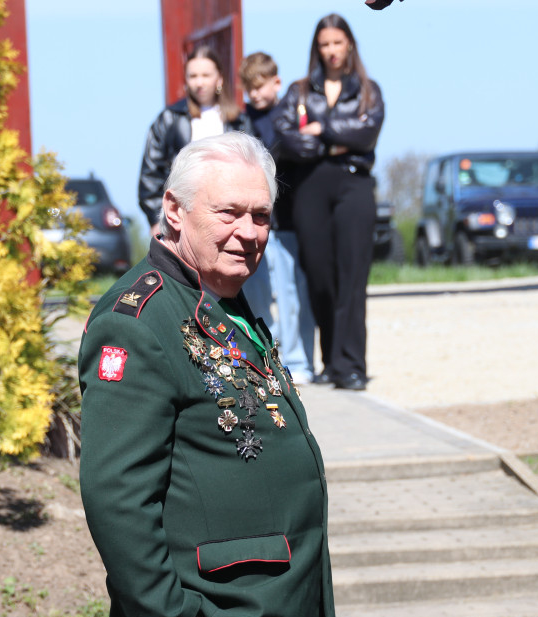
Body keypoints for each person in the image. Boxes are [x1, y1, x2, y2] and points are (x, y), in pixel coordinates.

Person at [79, 132, 338, 617]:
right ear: (174, 210)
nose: (248, 233)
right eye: (229, 213)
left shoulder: (221, 300)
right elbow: (116, 494)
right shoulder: (138, 322)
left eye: (261, 216)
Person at [272, 13, 385, 391]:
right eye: (325, 44)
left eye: (337, 42)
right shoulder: (299, 91)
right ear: (316, 49)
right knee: (319, 276)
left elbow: (367, 133)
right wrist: (334, 140)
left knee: (352, 278)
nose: (332, 51)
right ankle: (331, 358)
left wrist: (322, 130)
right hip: (310, 187)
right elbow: (286, 137)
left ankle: (350, 365)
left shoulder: (369, 90)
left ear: (349, 43)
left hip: (354, 186)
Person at [237, 51, 316, 384]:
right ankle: (264, 358)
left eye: (260, 86)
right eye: (249, 88)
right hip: (254, 220)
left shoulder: (292, 112)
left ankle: (299, 362)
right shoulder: (240, 119)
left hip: (287, 220)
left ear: (276, 82)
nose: (255, 94)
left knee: (291, 294)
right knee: (255, 294)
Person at [138, 45, 246, 237]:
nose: (199, 82)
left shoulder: (239, 121)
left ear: (219, 78)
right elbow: (150, 174)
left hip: (230, 216)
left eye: (206, 75)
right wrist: (157, 219)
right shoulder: (170, 118)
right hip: (183, 216)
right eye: (193, 76)